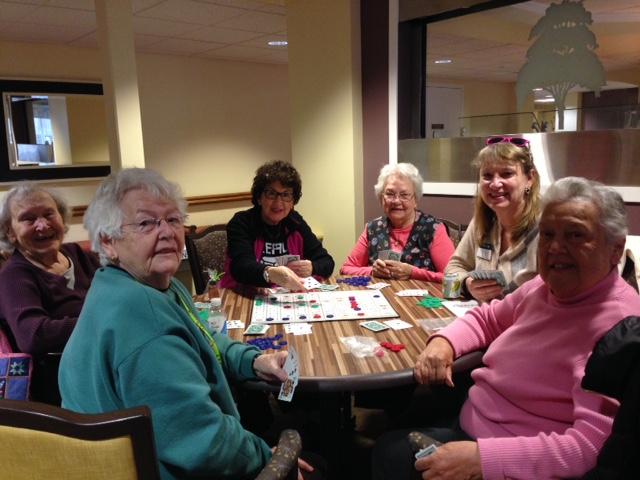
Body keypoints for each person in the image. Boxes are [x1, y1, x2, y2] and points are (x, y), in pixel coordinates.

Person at [373, 177, 640, 480]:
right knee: (394, 419)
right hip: (476, 416)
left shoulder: (622, 330)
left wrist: (484, 460)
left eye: (576, 236)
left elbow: (590, 447)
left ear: (616, 250)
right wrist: (443, 342)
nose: (555, 248)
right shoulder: (543, 286)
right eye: (548, 234)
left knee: (388, 452)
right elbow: (487, 319)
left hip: (511, 459)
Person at [58, 168, 316, 480]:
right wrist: (266, 455)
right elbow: (204, 442)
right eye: (146, 223)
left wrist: (254, 360)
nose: (167, 231)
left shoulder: (144, 284)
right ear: (108, 241)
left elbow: (203, 336)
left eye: (173, 219)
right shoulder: (145, 320)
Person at [0, 183, 99, 404]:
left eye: (48, 214)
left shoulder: (79, 255)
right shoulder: (14, 276)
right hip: (61, 388)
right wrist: (102, 320)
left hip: (100, 366)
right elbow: (33, 336)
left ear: (62, 220)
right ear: (10, 232)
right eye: (28, 219)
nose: (42, 225)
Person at [445, 136, 540, 302]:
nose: (495, 184)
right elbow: (454, 267)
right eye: (487, 176)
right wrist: (467, 283)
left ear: (529, 179)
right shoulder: (481, 222)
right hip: (485, 320)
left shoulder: (548, 228)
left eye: (507, 174)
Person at [221, 160, 334, 291]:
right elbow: (240, 267)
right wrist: (269, 273)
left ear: (293, 201)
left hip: (286, 297)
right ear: (259, 197)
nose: (278, 202)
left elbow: (327, 262)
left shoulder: (296, 222)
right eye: (271, 193)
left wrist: (313, 267)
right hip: (244, 297)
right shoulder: (242, 222)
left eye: (286, 194)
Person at [341, 163, 454, 281]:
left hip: (423, 299)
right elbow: (346, 269)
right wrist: (372, 271)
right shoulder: (372, 228)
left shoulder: (433, 229)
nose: (396, 201)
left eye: (404, 195)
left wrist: (413, 272)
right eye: (390, 194)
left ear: (415, 200)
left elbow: (454, 277)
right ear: (381, 198)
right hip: (381, 297)